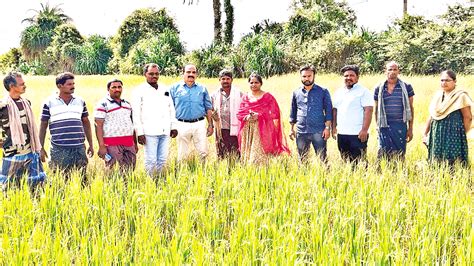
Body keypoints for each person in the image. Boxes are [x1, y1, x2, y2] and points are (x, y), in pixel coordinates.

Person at [39, 72, 94, 179]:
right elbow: (43, 126)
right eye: (69, 84)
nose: (73, 86)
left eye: (73, 83)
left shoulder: (80, 101)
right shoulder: (49, 103)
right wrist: (40, 147)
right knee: (59, 178)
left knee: (82, 178)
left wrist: (91, 144)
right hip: (59, 148)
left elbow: (86, 122)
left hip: (79, 148)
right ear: (60, 86)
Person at [0, 72, 46, 191]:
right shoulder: (2, 106)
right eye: (22, 84)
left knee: (36, 185)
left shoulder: (26, 103)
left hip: (31, 151)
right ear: (12, 86)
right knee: (6, 186)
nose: (25, 86)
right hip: (12, 153)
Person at [132, 63, 177, 175]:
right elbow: (136, 114)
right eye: (151, 74)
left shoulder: (164, 88)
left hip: (165, 131)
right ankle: (150, 182)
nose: (154, 76)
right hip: (149, 132)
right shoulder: (139, 90)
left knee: (162, 159)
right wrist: (140, 133)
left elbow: (171, 108)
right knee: (151, 160)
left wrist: (173, 126)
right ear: (145, 74)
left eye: (156, 74)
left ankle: (160, 180)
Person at [237, 73, 290, 164]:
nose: (253, 85)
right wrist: (247, 117)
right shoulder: (245, 97)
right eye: (251, 82)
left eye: (256, 82)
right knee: (248, 154)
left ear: (261, 83)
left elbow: (275, 114)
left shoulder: (268, 97)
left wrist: (260, 115)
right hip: (248, 129)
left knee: (259, 155)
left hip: (263, 129)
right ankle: (250, 172)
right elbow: (240, 113)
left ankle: (262, 172)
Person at [423, 70, 472, 166]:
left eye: (447, 80)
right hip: (436, 134)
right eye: (442, 80)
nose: (444, 83)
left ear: (454, 81)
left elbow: (468, 117)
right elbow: (432, 115)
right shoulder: (437, 95)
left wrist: (461, 133)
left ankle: (455, 179)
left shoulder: (461, 96)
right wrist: (425, 134)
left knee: (453, 161)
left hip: (454, 134)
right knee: (436, 161)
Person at [289, 65, 332, 162]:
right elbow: (293, 111)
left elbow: (328, 111)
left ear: (314, 76)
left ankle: (324, 176)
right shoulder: (296, 92)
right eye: (304, 76)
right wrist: (292, 129)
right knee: (302, 159)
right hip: (301, 131)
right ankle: (304, 176)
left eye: (309, 76)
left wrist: (327, 128)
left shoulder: (323, 91)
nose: (307, 78)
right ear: (301, 77)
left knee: (322, 158)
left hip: (318, 131)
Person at [170, 64, 213, 161]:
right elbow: (169, 108)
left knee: (203, 152)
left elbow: (208, 108)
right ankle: (182, 173)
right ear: (183, 73)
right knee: (182, 154)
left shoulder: (202, 89)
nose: (191, 74)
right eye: (188, 72)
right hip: (181, 124)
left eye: (193, 72)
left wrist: (210, 125)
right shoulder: (174, 89)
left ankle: (203, 173)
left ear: (197, 74)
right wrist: (171, 126)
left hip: (199, 124)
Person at [332, 65, 373, 163]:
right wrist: (333, 127)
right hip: (342, 133)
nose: (348, 78)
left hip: (357, 134)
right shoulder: (339, 92)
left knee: (360, 162)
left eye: (352, 75)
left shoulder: (363, 91)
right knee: (345, 160)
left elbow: (368, 110)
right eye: (346, 76)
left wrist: (364, 130)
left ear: (357, 77)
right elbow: (335, 111)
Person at [374, 61, 414, 160]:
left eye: (395, 69)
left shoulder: (406, 87)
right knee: (383, 153)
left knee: (399, 153)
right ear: (385, 71)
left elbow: (411, 108)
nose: (392, 71)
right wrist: (377, 126)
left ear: (398, 71)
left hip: (400, 125)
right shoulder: (379, 88)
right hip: (384, 126)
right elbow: (376, 109)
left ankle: (398, 172)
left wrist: (410, 128)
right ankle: (383, 173)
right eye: (390, 69)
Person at [94, 79, 137, 170]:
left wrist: (135, 143)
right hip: (111, 143)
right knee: (113, 170)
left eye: (119, 87)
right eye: (114, 87)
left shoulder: (127, 104)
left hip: (129, 142)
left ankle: (127, 185)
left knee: (130, 170)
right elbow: (98, 126)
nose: (117, 89)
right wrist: (101, 146)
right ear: (108, 89)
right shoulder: (103, 104)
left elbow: (131, 124)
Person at [211, 69, 243, 159]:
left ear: (232, 80)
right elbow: (210, 108)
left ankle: (236, 169)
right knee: (221, 151)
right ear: (219, 80)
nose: (225, 81)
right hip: (221, 127)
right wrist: (213, 115)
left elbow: (244, 107)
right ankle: (223, 168)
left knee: (235, 151)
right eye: (223, 79)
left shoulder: (239, 93)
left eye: (228, 79)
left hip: (235, 128)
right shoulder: (214, 94)